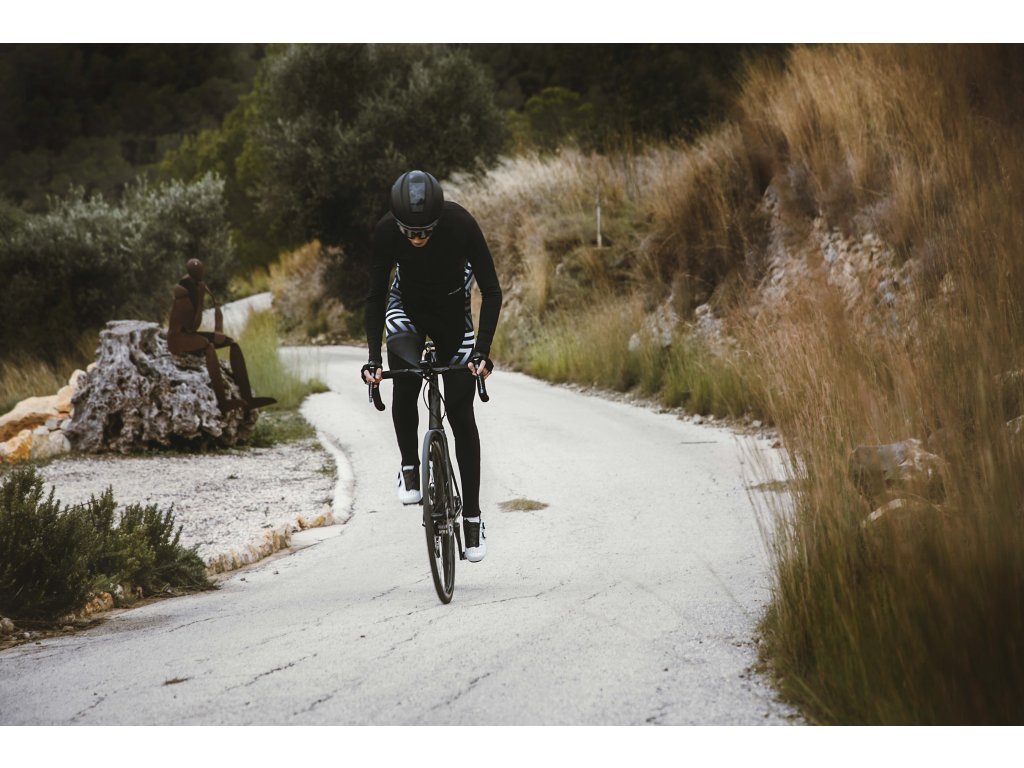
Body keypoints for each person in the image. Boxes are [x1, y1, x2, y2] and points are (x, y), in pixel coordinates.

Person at [362, 170, 502, 562]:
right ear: (398, 224)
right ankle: (410, 464)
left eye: (425, 231)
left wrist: (482, 352)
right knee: (405, 382)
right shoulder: (386, 231)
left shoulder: (461, 224)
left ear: (438, 221)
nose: (417, 238)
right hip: (407, 310)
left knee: (460, 413)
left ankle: (472, 518)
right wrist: (373, 359)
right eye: (410, 231)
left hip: (453, 318)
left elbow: (492, 292)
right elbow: (374, 297)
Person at [167, 258, 276, 414]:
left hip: (189, 336)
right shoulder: (182, 293)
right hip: (177, 340)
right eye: (197, 273)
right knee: (208, 345)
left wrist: (218, 331)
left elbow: (205, 316)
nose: (200, 275)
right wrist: (200, 299)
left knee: (232, 343)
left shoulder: (198, 285)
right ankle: (222, 401)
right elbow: (192, 325)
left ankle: (248, 399)